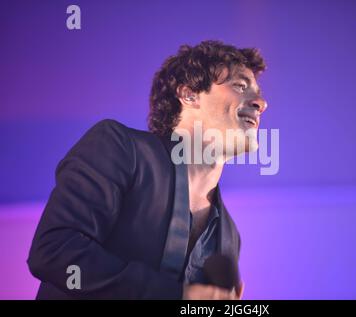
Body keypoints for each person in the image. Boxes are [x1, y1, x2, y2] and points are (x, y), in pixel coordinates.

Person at [27, 40, 268, 299]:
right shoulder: (119, 147)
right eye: (240, 86)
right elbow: (55, 250)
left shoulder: (230, 236)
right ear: (189, 95)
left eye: (258, 93)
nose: (261, 103)